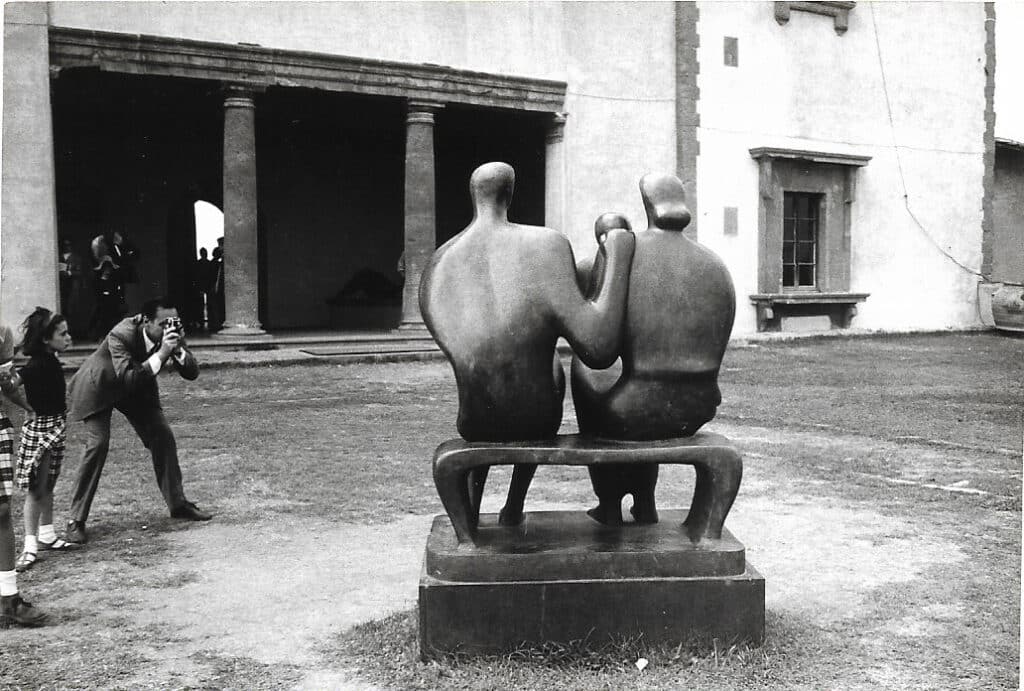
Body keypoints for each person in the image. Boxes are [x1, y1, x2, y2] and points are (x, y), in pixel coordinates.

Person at [418, 161, 635, 525]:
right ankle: (513, 504)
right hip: (535, 416)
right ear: (510, 195)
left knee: (498, 368)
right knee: (547, 368)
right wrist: (619, 253)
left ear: (474, 195)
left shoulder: (440, 263)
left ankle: (474, 507)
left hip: (474, 418)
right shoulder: (545, 245)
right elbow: (599, 348)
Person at [63, 297, 211, 545]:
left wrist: (179, 351)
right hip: (99, 387)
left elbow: (192, 373)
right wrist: (164, 352)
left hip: (137, 387)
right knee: (98, 444)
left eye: (174, 322)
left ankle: (178, 504)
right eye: (163, 323)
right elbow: (127, 378)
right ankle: (75, 519)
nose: (169, 328)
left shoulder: (170, 332)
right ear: (145, 321)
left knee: (162, 435)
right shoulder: (121, 333)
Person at [14, 308, 74, 572]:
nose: (68, 337)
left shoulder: (49, 359)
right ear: (46, 339)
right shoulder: (36, 365)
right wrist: (27, 408)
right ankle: (30, 546)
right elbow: (12, 384)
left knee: (48, 482)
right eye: (63, 334)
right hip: (42, 429)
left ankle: (47, 533)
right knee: (36, 490)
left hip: (56, 425)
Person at [0, 320, 47, 627]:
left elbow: (7, 381)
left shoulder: (3, 331)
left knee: (1, 511)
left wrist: (27, 404)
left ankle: (8, 598)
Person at [88, 257, 126, 341]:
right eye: (105, 268)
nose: (107, 270)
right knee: (101, 320)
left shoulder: (115, 281)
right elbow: (96, 293)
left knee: (113, 321)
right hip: (102, 305)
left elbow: (119, 293)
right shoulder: (97, 281)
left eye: (109, 268)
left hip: (113, 305)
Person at [58, 239, 87, 337]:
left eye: (69, 245)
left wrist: (69, 273)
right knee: (63, 309)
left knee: (72, 310)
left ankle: (72, 334)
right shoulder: (58, 257)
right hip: (62, 287)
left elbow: (80, 272)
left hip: (72, 287)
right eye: (65, 245)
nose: (67, 247)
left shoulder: (76, 258)